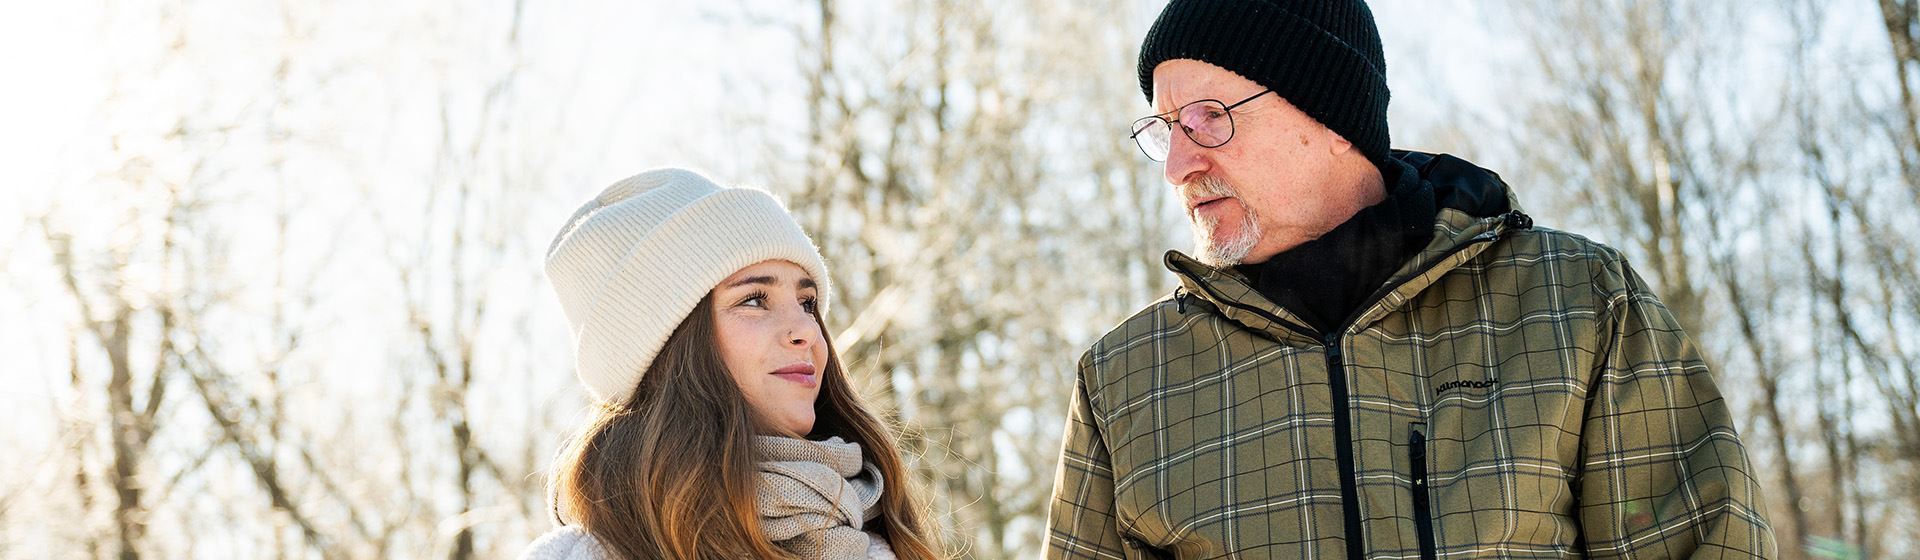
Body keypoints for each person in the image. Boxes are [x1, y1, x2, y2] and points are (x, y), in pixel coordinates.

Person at [1044, 1, 1776, 558]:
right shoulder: (1127, 382)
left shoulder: (1573, 305)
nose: (1178, 165)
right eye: (1163, 129)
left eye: (1207, 118)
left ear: (1331, 116)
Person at [522, 169, 941, 559]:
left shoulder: (881, 546)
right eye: (755, 300)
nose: (807, 331)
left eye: (807, 302)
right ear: (671, 348)